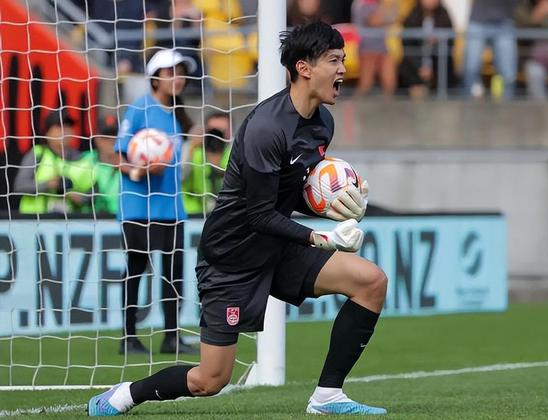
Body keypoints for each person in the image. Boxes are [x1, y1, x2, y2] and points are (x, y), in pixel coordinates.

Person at [87, 22, 388, 416]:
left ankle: (328, 396)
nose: (344, 69)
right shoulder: (266, 128)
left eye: (343, 59)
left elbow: (293, 191)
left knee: (371, 282)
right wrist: (322, 237)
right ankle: (126, 394)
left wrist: (338, 205)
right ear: (304, 68)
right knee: (209, 380)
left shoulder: (322, 123)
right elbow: (259, 213)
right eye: (334, 60)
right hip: (231, 258)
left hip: (277, 246)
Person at [114, 49, 197, 356]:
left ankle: (171, 337)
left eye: (181, 72)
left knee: (174, 272)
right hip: (140, 206)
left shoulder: (177, 114)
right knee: (136, 268)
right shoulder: (139, 108)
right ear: (155, 78)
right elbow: (117, 157)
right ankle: (129, 337)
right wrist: (141, 170)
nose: (178, 78)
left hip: (172, 207)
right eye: (170, 72)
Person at [14, 109, 93, 214]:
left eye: (68, 126)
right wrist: (48, 184)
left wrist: (78, 197)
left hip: (70, 220)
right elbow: (20, 186)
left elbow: (94, 193)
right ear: (47, 132)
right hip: (35, 219)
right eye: (59, 126)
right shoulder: (38, 153)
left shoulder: (83, 159)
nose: (64, 131)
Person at [462, 0, 519, 99]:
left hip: (504, 21)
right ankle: (468, 103)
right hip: (478, 20)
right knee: (471, 68)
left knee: (508, 72)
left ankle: (507, 104)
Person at [398, 0, 455, 99]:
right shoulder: (412, 17)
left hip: (437, 65)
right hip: (415, 66)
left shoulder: (444, 16)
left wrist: (438, 41)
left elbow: (450, 43)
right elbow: (407, 46)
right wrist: (420, 66)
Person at [181, 111, 233, 215]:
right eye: (213, 131)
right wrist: (191, 148)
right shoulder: (192, 150)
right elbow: (179, 177)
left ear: (230, 133)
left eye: (222, 131)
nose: (216, 136)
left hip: (224, 213)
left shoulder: (234, 153)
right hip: (192, 213)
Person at [352, 0, 399, 96]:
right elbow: (374, 21)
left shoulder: (379, 3)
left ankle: (388, 105)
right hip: (367, 49)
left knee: (390, 82)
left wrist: (392, 5)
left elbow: (394, 18)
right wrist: (388, 7)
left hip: (382, 48)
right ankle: (355, 104)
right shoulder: (361, 4)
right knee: (366, 83)